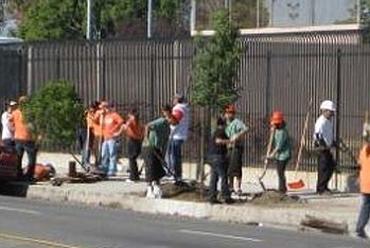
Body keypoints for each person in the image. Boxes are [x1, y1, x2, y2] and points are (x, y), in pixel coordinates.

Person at [144, 105, 175, 198]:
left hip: (157, 148)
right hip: (149, 146)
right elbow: (147, 126)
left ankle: (157, 187)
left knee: (158, 169)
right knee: (150, 168)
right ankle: (149, 189)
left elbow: (164, 144)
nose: (174, 122)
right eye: (173, 119)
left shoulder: (168, 130)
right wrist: (146, 138)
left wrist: (163, 158)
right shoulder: (161, 121)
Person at [224, 104, 248, 197]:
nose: (229, 114)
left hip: (236, 147)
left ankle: (238, 187)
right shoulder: (225, 123)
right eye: (227, 112)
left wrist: (237, 135)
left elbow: (245, 129)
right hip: (228, 148)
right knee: (228, 168)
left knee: (237, 167)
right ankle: (230, 187)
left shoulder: (237, 122)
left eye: (231, 113)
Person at [10, 96, 37, 181]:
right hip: (28, 139)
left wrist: (15, 130)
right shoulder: (31, 113)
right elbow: (36, 125)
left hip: (18, 138)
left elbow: (10, 124)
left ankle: (18, 175)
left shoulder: (15, 112)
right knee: (31, 159)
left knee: (18, 158)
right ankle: (29, 176)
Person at [94, 101, 124, 176]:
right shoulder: (104, 116)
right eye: (103, 108)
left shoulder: (114, 115)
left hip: (112, 138)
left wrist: (118, 132)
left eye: (105, 108)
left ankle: (112, 170)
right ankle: (104, 168)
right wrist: (99, 114)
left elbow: (122, 123)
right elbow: (95, 121)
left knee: (112, 154)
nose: (105, 109)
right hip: (105, 138)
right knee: (104, 154)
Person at [208, 117, 233, 204]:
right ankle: (226, 197)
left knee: (214, 178)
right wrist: (229, 141)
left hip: (212, 157)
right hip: (219, 157)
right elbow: (218, 141)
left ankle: (212, 197)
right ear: (224, 124)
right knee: (224, 177)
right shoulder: (220, 131)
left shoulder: (214, 132)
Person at [313, 100, 336, 195]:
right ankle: (321, 189)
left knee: (330, 166)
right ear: (324, 111)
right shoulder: (320, 121)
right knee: (323, 168)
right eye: (330, 111)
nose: (332, 113)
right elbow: (318, 134)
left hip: (327, 147)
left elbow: (329, 134)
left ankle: (324, 186)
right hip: (322, 147)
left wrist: (333, 142)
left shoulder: (328, 122)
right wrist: (322, 145)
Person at [267, 111, 292, 194]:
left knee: (280, 171)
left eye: (276, 123)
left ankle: (282, 189)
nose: (275, 125)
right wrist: (272, 131)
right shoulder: (276, 129)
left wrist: (271, 155)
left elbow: (278, 146)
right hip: (279, 155)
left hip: (284, 155)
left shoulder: (283, 132)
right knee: (279, 172)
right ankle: (282, 188)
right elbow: (272, 140)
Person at [167, 93, 190, 185]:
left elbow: (175, 121)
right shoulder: (185, 108)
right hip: (181, 134)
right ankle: (176, 174)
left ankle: (176, 175)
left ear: (177, 100)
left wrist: (168, 120)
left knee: (175, 157)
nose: (173, 100)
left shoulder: (178, 108)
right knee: (176, 156)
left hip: (176, 135)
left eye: (174, 98)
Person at [355, 124, 370, 239]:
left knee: (365, 207)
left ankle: (360, 228)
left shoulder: (363, 150)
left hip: (365, 183)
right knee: (366, 206)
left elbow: (359, 165)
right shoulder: (366, 150)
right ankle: (360, 228)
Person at [122, 109, 144, 182]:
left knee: (132, 159)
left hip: (132, 140)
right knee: (133, 159)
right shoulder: (139, 122)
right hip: (138, 141)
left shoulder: (131, 121)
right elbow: (142, 130)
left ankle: (133, 177)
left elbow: (126, 126)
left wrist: (124, 126)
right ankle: (135, 176)